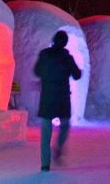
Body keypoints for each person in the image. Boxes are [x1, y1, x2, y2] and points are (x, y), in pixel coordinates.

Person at [33, 30, 81, 172]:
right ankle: (58, 148)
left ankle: (45, 164)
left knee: (46, 131)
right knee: (65, 125)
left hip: (47, 97)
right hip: (62, 98)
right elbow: (77, 75)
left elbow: (36, 71)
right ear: (65, 43)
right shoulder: (67, 58)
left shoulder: (44, 55)